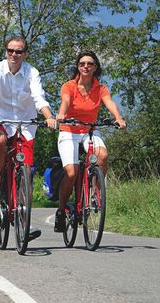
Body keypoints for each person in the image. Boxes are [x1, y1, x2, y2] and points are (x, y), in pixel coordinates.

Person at [0, 36, 57, 241]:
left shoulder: (32, 73)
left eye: (19, 51)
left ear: (25, 53)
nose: (14, 55)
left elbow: (38, 97)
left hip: (25, 125)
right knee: (0, 142)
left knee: (27, 172)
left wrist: (49, 117)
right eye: (10, 51)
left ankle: (24, 219)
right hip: (0, 120)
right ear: (6, 51)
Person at [54, 51, 127, 232]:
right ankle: (61, 211)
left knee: (102, 156)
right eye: (82, 63)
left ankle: (94, 193)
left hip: (88, 130)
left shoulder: (100, 88)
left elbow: (109, 102)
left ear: (95, 68)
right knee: (71, 173)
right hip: (69, 130)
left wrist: (118, 117)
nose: (86, 66)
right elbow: (65, 101)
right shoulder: (69, 86)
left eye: (90, 64)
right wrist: (62, 114)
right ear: (78, 66)